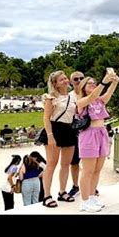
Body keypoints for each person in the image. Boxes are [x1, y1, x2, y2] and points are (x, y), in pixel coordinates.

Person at [76, 71, 119, 212]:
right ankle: (84, 201)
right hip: (89, 135)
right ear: (83, 87)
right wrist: (104, 82)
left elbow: (109, 93)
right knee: (87, 171)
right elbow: (93, 96)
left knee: (96, 170)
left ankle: (91, 195)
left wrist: (114, 81)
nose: (93, 85)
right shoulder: (82, 101)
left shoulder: (99, 101)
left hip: (101, 133)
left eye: (94, 83)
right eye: (90, 83)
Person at [41, 70, 78, 208]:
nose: (65, 80)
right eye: (61, 79)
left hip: (68, 129)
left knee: (65, 164)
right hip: (55, 129)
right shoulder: (51, 98)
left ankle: (62, 191)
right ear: (55, 84)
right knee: (51, 164)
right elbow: (46, 118)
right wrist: (50, 136)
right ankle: (46, 195)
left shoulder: (72, 97)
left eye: (65, 78)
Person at [67, 71, 84, 198]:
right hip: (74, 132)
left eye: (81, 78)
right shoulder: (69, 96)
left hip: (88, 131)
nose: (79, 81)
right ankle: (75, 185)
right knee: (74, 162)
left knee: (91, 161)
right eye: (76, 79)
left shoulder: (90, 94)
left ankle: (91, 186)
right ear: (71, 81)